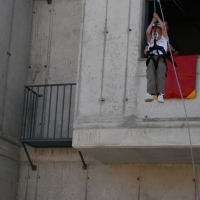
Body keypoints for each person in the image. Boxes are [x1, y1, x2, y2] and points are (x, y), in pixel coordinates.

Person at [144, 13, 168, 103]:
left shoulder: (163, 40)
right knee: (150, 74)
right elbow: (147, 32)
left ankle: (160, 94)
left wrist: (157, 18)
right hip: (151, 59)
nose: (156, 34)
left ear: (161, 33)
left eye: (158, 32)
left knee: (160, 75)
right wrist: (153, 21)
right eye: (154, 33)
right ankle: (150, 93)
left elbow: (163, 28)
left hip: (161, 59)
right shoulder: (150, 41)